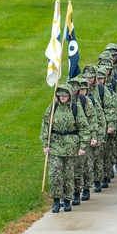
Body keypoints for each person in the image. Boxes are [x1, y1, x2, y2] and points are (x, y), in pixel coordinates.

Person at [41, 84, 90, 213]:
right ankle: (56, 200)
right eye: (60, 95)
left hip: (71, 146)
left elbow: (84, 127)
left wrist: (83, 145)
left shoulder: (75, 108)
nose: (63, 97)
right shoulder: (52, 108)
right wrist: (45, 144)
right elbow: (45, 126)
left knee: (68, 175)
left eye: (65, 94)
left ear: (69, 95)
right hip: (55, 146)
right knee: (55, 174)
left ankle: (68, 200)